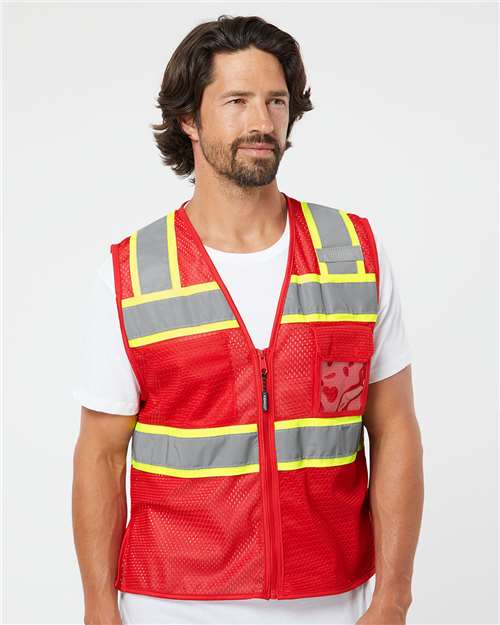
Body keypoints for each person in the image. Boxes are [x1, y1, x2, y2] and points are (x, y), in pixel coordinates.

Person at [72, 14, 424, 625]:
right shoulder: (134, 272)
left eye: (275, 101)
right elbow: (100, 454)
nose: (262, 122)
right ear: (189, 118)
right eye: (236, 101)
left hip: (331, 599)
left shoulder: (352, 254)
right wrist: (99, 607)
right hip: (169, 604)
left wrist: (393, 597)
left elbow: (394, 428)